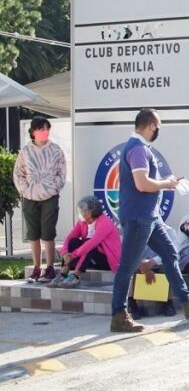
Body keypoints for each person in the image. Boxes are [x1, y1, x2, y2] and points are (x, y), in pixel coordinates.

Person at [110, 108, 189, 333]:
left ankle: (187, 303)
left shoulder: (138, 148)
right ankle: (119, 315)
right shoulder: (138, 149)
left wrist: (167, 180)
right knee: (127, 267)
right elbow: (142, 184)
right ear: (150, 126)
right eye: (158, 127)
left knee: (170, 253)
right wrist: (167, 184)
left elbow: (144, 181)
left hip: (149, 215)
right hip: (139, 216)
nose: (158, 131)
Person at [13, 116, 66, 284]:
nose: (45, 132)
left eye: (47, 128)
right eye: (42, 129)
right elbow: (18, 173)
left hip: (50, 197)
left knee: (48, 232)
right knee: (33, 233)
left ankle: (49, 268)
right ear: (33, 131)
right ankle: (37, 267)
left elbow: (62, 172)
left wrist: (53, 188)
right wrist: (25, 190)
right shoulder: (26, 151)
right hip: (30, 198)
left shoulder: (56, 150)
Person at [51, 196, 121, 288]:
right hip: (90, 256)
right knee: (73, 241)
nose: (81, 212)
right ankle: (63, 273)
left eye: (84, 210)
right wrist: (65, 254)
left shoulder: (105, 222)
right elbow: (69, 237)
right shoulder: (82, 222)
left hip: (106, 260)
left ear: (92, 211)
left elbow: (92, 243)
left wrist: (73, 255)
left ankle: (76, 276)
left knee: (89, 243)